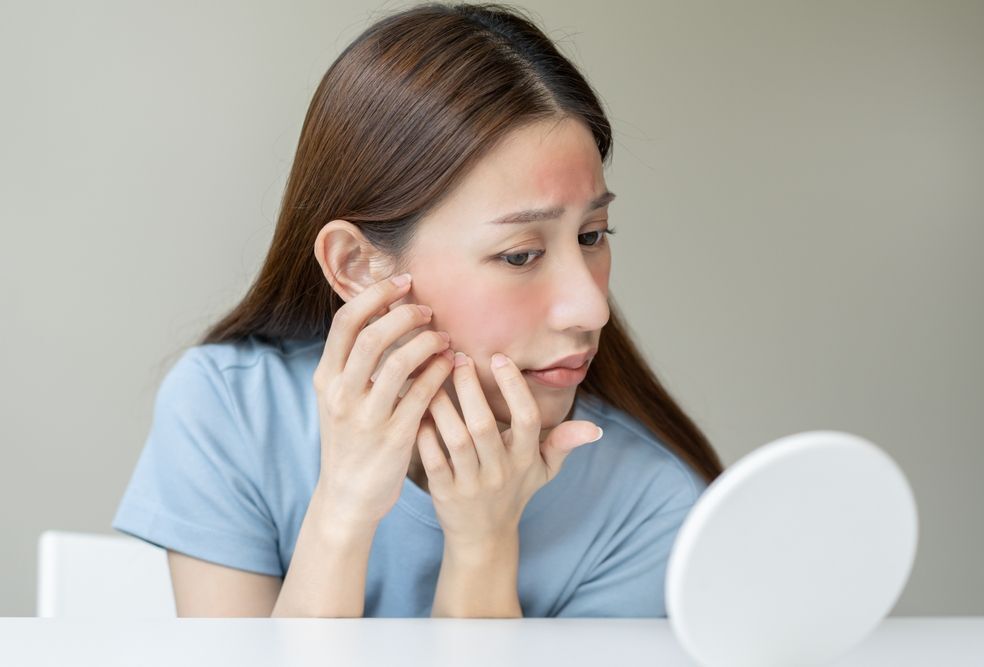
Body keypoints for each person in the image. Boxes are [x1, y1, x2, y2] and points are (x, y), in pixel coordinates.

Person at [112, 1, 725, 618]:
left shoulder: (650, 501)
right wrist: (343, 508)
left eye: (592, 236)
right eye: (519, 255)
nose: (590, 309)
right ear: (357, 264)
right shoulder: (230, 410)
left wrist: (483, 547)